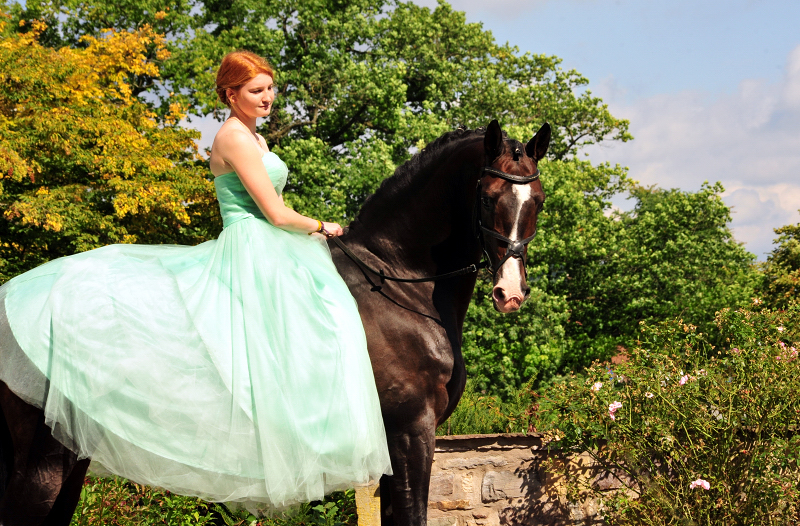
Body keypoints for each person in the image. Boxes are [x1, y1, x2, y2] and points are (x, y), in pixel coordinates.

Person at [0, 50, 392, 509]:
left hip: (272, 246)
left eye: (269, 88)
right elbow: (275, 212)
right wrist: (325, 227)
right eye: (255, 91)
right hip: (255, 242)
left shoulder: (256, 138)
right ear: (230, 94)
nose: (267, 98)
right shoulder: (235, 138)